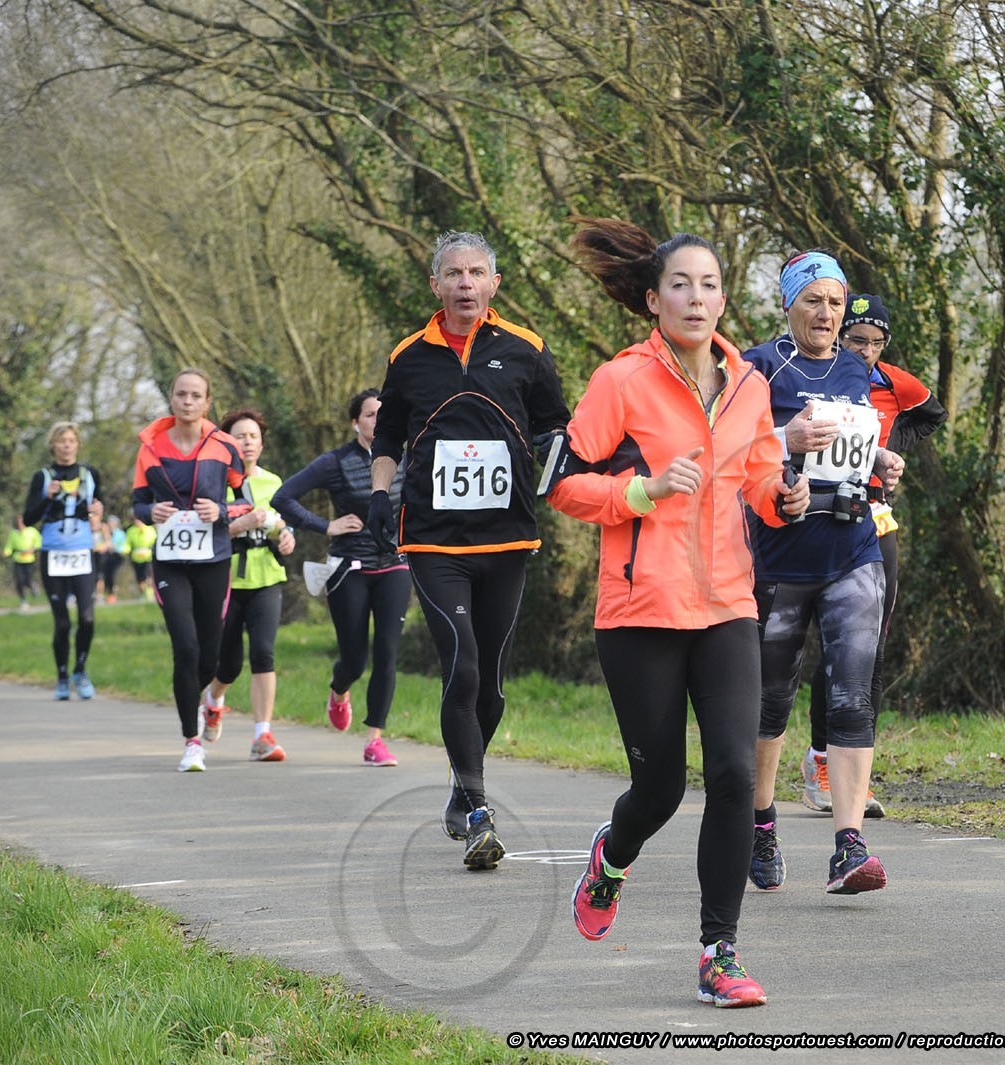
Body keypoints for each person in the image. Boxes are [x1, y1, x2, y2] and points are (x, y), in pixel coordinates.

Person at [552, 219, 809, 1008]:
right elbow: (562, 485)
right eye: (680, 285)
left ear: (724, 299)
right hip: (641, 609)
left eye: (708, 285)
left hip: (727, 603)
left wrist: (786, 496)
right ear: (653, 300)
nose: (696, 298)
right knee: (659, 788)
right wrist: (642, 490)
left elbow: (758, 480)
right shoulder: (620, 382)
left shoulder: (750, 386)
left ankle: (718, 952)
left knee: (734, 773)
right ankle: (612, 856)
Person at [366, 230, 571, 869]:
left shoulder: (526, 348)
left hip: (507, 537)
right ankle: (480, 810)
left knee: (492, 686)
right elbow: (388, 438)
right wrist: (378, 495)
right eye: (453, 273)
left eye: (476, 272)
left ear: (493, 284)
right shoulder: (408, 357)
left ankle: (462, 781)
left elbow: (556, 427)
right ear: (436, 285)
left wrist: (563, 471)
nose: (465, 283)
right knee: (463, 665)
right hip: (433, 540)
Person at [742, 251, 904, 895]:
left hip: (854, 546)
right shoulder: (757, 367)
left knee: (852, 695)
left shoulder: (856, 368)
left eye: (835, 302)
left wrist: (880, 461)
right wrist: (785, 440)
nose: (826, 313)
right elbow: (728, 448)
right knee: (770, 701)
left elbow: (854, 444)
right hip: (779, 557)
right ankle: (760, 824)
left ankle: (849, 845)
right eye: (813, 300)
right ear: (788, 304)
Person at [801, 293, 947, 816]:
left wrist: (892, 446)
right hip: (808, 518)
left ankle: (850, 776)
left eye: (875, 342)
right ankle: (814, 759)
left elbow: (931, 413)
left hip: (873, 519)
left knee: (869, 650)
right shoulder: (810, 373)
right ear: (839, 335)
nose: (864, 350)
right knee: (811, 648)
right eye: (856, 340)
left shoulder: (890, 381)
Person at [275, 389, 411, 767]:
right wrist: (326, 525)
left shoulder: (407, 457)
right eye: (369, 415)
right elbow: (283, 497)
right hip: (350, 566)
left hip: (395, 563)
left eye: (383, 414)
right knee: (354, 660)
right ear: (355, 422)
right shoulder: (336, 462)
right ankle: (339, 690)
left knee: (387, 652)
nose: (377, 421)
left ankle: (375, 741)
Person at [132, 369, 246, 772]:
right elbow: (138, 503)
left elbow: (244, 500)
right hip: (170, 563)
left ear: (207, 402)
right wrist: (151, 511)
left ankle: (200, 699)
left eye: (196, 395)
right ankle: (191, 742)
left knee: (209, 658)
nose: (187, 401)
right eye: (181, 394)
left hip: (213, 560)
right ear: (171, 398)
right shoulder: (150, 447)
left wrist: (221, 511)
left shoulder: (225, 445)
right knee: (185, 648)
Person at [200, 408, 297, 763]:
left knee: (263, 654)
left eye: (254, 436)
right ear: (227, 443)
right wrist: (240, 525)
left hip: (266, 577)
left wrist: (287, 537)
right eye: (240, 436)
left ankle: (262, 735)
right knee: (228, 664)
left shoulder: (273, 482)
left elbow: (283, 523)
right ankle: (213, 699)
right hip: (225, 579)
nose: (248, 443)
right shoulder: (214, 482)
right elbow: (203, 531)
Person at [24, 422, 106, 700]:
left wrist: (98, 511)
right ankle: (61, 676)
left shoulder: (90, 474)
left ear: (77, 444)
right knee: (62, 623)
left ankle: (79, 670)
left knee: (87, 618)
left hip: (83, 552)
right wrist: (46, 497)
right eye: (62, 441)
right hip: (54, 553)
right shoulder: (43, 476)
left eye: (71, 440)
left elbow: (98, 507)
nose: (67, 445)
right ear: (53, 445)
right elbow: (29, 517)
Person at [4, 516, 41, 610]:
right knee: (19, 581)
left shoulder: (32, 531)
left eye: (21, 521)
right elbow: (9, 546)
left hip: (29, 560)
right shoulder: (13, 533)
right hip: (17, 559)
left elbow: (39, 542)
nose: (20, 523)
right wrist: (6, 552)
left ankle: (32, 586)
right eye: (18, 521)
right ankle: (23, 600)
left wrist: (32, 549)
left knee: (28, 580)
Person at [96, 515, 128, 604]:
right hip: (106, 556)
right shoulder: (105, 532)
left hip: (117, 556)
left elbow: (123, 545)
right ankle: (108, 594)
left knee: (113, 575)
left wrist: (114, 547)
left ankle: (113, 594)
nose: (110, 524)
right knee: (106, 575)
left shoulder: (120, 533)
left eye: (111, 522)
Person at [125, 516, 157, 600]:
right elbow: (128, 543)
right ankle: (142, 594)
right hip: (136, 558)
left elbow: (154, 541)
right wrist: (126, 550)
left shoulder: (150, 529)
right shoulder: (131, 530)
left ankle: (150, 594)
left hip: (148, 557)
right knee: (140, 578)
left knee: (148, 576)